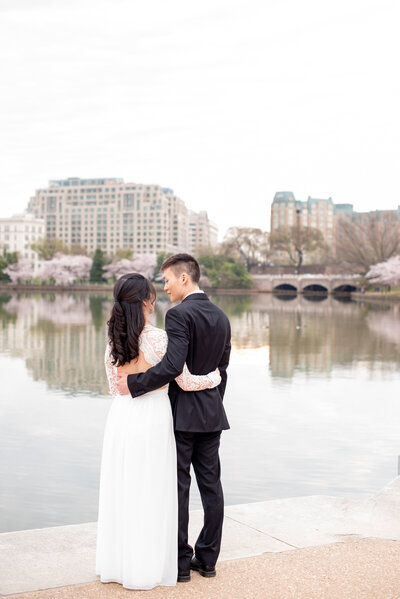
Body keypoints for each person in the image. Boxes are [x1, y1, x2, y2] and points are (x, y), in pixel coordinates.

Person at [96, 273, 222, 590]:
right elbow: (186, 381)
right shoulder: (159, 339)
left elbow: (116, 387)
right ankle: (149, 564)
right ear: (146, 301)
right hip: (153, 417)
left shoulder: (113, 339)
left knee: (123, 488)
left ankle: (119, 564)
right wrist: (215, 378)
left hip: (122, 418)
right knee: (152, 490)